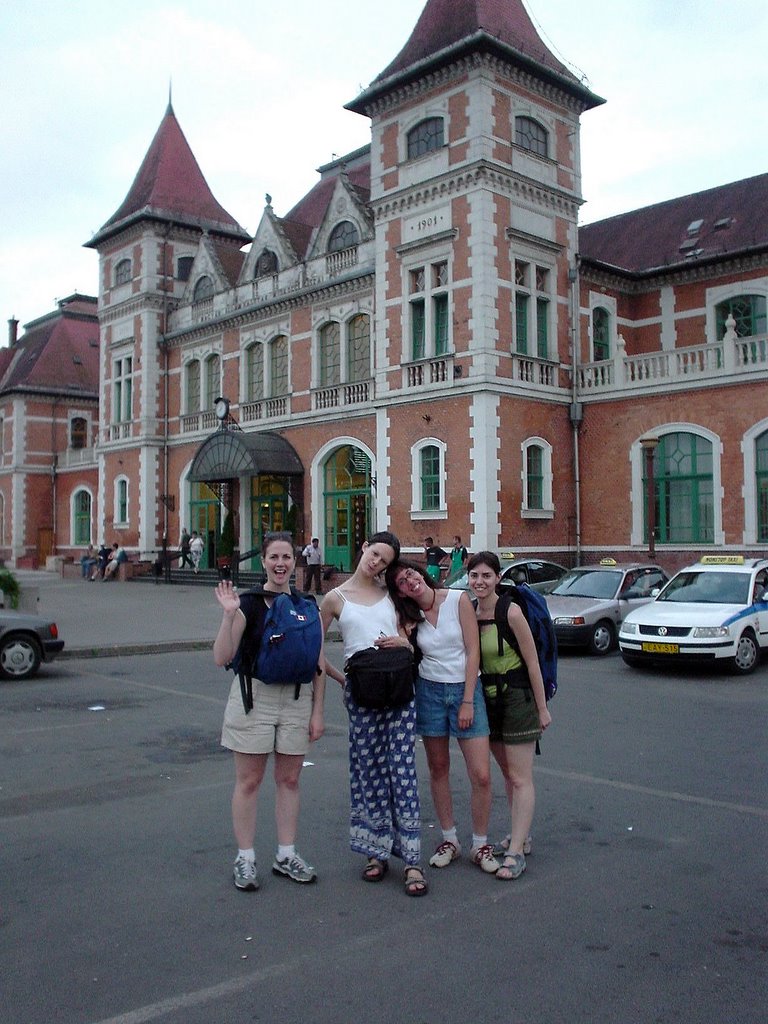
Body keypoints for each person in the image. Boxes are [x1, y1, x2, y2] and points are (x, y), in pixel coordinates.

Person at [213, 531, 325, 891]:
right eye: (274, 557)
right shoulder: (247, 604)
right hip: (254, 698)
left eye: (286, 557)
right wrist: (229, 616)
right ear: (263, 561)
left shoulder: (306, 606)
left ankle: (286, 854)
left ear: (295, 561)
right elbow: (222, 656)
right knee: (249, 781)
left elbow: (319, 663)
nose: (280, 564)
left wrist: (317, 711)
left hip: (296, 699)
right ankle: (245, 858)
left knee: (290, 780)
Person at [320, 531, 428, 897]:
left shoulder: (390, 593)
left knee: (403, 771)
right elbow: (314, 650)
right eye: (375, 553)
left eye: (384, 561)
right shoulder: (334, 599)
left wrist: (406, 644)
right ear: (364, 546)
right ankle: (375, 851)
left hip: (399, 691)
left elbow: (413, 634)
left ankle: (412, 859)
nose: (376, 562)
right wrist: (342, 680)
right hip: (362, 693)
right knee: (368, 772)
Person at [386, 559, 499, 875]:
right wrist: (404, 640)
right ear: (401, 593)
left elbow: (473, 651)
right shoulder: (410, 617)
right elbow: (410, 652)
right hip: (430, 692)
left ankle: (480, 844)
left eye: (410, 574)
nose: (410, 581)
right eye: (402, 583)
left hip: (465, 690)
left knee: (481, 774)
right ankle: (450, 839)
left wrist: (467, 701)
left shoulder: (457, 599)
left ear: (421, 573)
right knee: (438, 768)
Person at [467, 551, 551, 880]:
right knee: (507, 773)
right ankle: (521, 837)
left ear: (498, 578)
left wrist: (542, 708)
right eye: (474, 576)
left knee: (520, 777)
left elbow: (532, 662)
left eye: (487, 576)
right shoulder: (470, 611)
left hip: (516, 697)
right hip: (488, 699)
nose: (480, 582)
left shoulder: (511, 612)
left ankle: (516, 852)